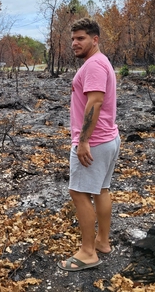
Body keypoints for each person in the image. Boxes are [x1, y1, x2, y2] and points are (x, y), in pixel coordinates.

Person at [58, 17, 120, 272]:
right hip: (108, 139)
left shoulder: (94, 65)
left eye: (80, 38)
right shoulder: (99, 61)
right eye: (73, 38)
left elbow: (95, 102)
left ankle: (87, 252)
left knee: (79, 193)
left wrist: (82, 142)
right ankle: (102, 242)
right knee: (100, 190)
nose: (75, 43)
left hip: (94, 142)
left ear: (95, 39)